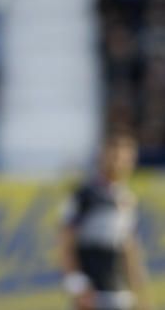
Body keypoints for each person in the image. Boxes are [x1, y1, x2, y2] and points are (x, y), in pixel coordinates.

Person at [59, 130, 151, 310]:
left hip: (121, 294)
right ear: (103, 156)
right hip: (93, 296)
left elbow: (130, 250)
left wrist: (140, 294)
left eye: (126, 157)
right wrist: (78, 286)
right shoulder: (84, 195)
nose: (120, 163)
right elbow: (64, 242)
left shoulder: (127, 199)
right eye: (115, 156)